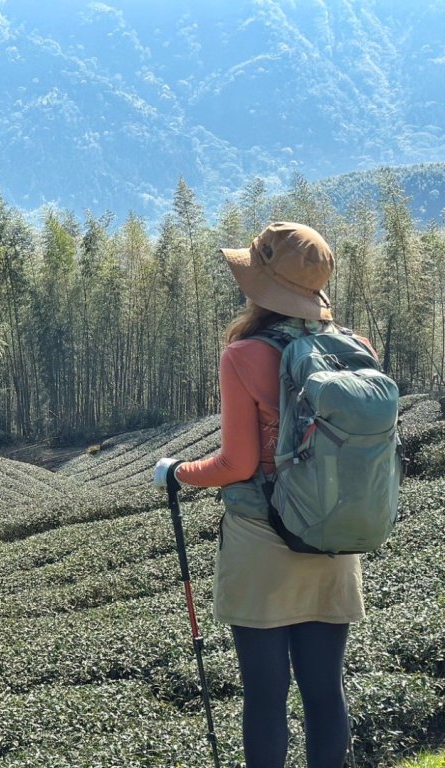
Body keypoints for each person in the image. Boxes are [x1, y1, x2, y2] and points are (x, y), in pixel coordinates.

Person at [152, 222, 365, 768]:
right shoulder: (356, 348)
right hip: (336, 538)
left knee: (266, 700)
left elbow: (237, 464)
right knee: (325, 693)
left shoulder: (243, 355)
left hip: (262, 541)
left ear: (261, 288)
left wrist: (177, 473)